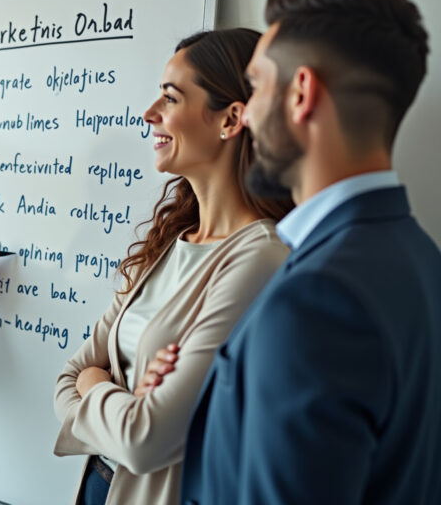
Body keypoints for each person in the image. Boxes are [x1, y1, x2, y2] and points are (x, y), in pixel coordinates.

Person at [180, 0, 441, 505]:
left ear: (301, 94)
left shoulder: (315, 303)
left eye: (256, 87)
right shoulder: (422, 258)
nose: (247, 114)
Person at [53, 29, 294, 505]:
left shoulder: (261, 258)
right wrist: (124, 400)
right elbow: (69, 375)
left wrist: (96, 385)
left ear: (231, 119)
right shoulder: (171, 242)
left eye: (170, 97)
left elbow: (146, 441)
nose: (149, 113)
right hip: (99, 486)